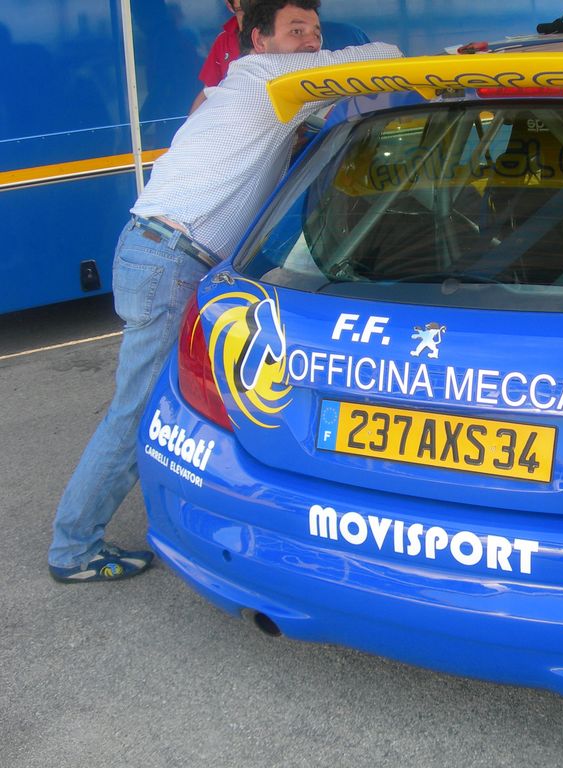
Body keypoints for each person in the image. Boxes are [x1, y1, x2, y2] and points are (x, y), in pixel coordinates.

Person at [48, 0, 402, 583]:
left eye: (316, 30)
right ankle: (74, 547)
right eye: (296, 30)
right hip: (170, 257)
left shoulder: (254, 87)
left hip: (160, 249)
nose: (312, 42)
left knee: (166, 400)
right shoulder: (269, 76)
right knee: (135, 411)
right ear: (258, 41)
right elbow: (382, 57)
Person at [190, 0, 246, 113]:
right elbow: (208, 91)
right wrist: (190, 122)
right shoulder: (223, 40)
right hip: (233, 115)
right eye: (242, 10)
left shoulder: (274, 36)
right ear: (229, 5)